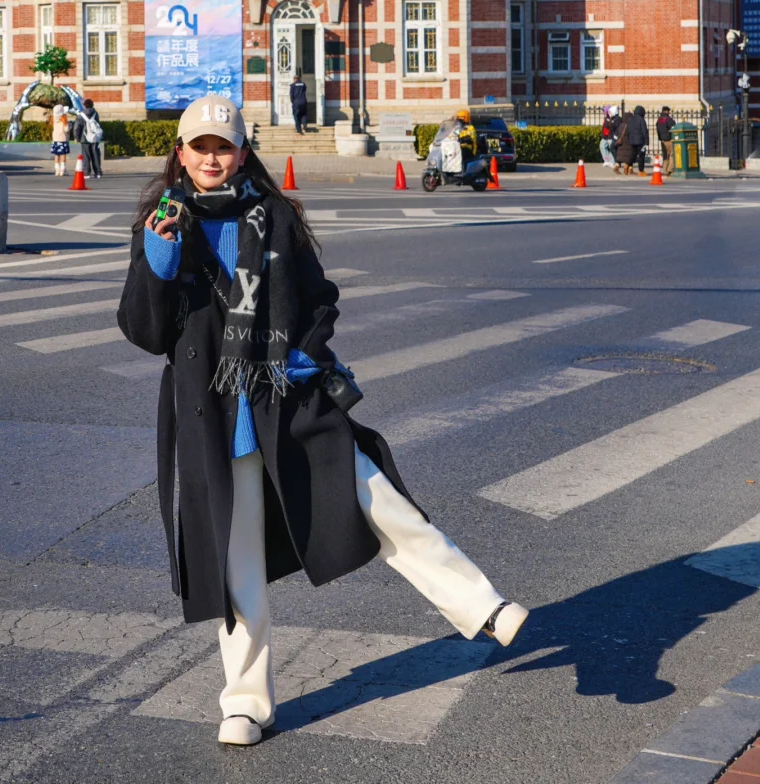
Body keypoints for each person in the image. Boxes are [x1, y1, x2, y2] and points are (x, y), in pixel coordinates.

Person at [117, 95, 527, 748]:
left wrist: (304, 354)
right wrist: (158, 260)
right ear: (181, 154)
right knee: (238, 568)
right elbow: (145, 332)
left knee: (378, 500)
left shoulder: (275, 216)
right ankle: (246, 704)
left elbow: (319, 300)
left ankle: (483, 606)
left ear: (242, 152)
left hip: (289, 399)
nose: (212, 158)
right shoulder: (165, 224)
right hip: (215, 418)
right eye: (200, 147)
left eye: (224, 146)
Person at [79, 98, 104, 178]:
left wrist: (77, 137)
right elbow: (97, 125)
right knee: (96, 155)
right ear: (92, 105)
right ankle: (98, 172)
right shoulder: (95, 114)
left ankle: (87, 173)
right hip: (95, 138)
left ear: (84, 105)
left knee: (86, 156)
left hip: (84, 138)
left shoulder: (80, 115)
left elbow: (77, 128)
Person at [627, 105, 649, 176]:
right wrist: (646, 142)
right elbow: (644, 131)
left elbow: (628, 130)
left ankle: (628, 165)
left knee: (633, 154)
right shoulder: (641, 119)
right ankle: (641, 171)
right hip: (640, 140)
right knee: (641, 155)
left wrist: (629, 139)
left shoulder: (630, 119)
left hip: (632, 140)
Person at [50, 104, 70, 177]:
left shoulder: (53, 118)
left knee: (56, 155)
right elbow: (66, 129)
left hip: (55, 139)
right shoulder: (63, 119)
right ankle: (62, 170)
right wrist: (69, 125)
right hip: (63, 138)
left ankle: (57, 170)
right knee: (63, 154)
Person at [656, 106, 676, 175]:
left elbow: (658, 129)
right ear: (666, 111)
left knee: (665, 155)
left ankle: (665, 169)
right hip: (669, 139)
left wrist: (660, 138)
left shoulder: (659, 119)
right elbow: (673, 128)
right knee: (672, 154)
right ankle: (670, 169)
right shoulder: (668, 119)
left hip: (662, 140)